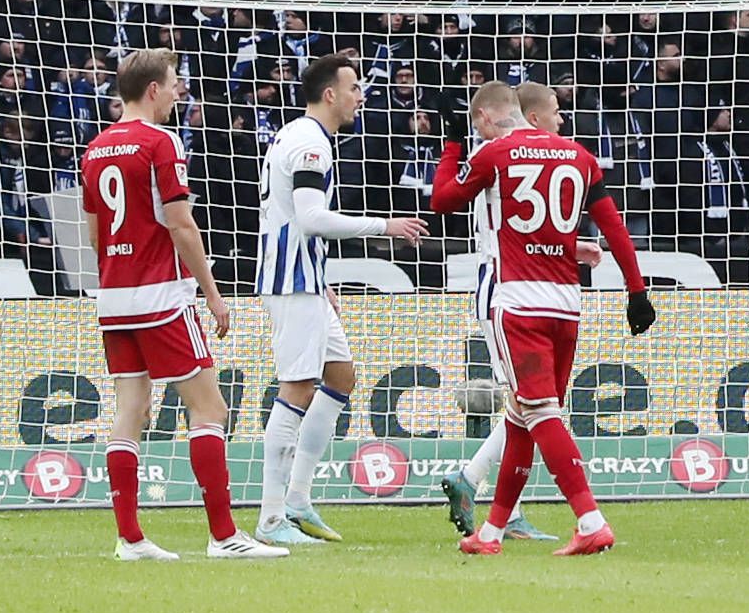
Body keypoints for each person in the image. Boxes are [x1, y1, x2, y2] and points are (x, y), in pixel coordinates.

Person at [422, 81, 653, 557]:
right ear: (533, 113)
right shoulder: (580, 157)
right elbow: (614, 228)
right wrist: (636, 291)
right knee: (522, 414)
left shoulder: (496, 154)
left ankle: (589, 519)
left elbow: (442, 201)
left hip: (516, 300)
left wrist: (451, 146)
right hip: (566, 303)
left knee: (540, 412)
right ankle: (491, 531)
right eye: (556, 109)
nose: (562, 116)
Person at [81, 48, 268, 560]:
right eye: (175, 82)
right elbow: (181, 223)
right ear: (154, 90)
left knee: (130, 411)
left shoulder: (95, 148)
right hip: (162, 292)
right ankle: (225, 536)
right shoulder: (161, 141)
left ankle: (131, 538)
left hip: (114, 296)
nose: (179, 91)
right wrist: (212, 293)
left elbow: (94, 228)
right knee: (210, 407)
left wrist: (118, 270)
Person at [254, 52, 427, 547]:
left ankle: (299, 500)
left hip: (304, 274)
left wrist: (320, 272)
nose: (360, 96)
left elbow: (290, 216)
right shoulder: (312, 145)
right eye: (353, 88)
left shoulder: (297, 134)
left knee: (339, 376)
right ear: (330, 94)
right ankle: (270, 519)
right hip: (291, 280)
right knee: (296, 389)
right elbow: (310, 217)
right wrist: (385, 225)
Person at [439, 82, 572, 545]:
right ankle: (498, 503)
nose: (561, 120)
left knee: (527, 404)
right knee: (532, 404)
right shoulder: (497, 155)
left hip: (518, 287)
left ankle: (475, 482)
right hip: (502, 288)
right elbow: (443, 203)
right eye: (555, 112)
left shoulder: (509, 156)